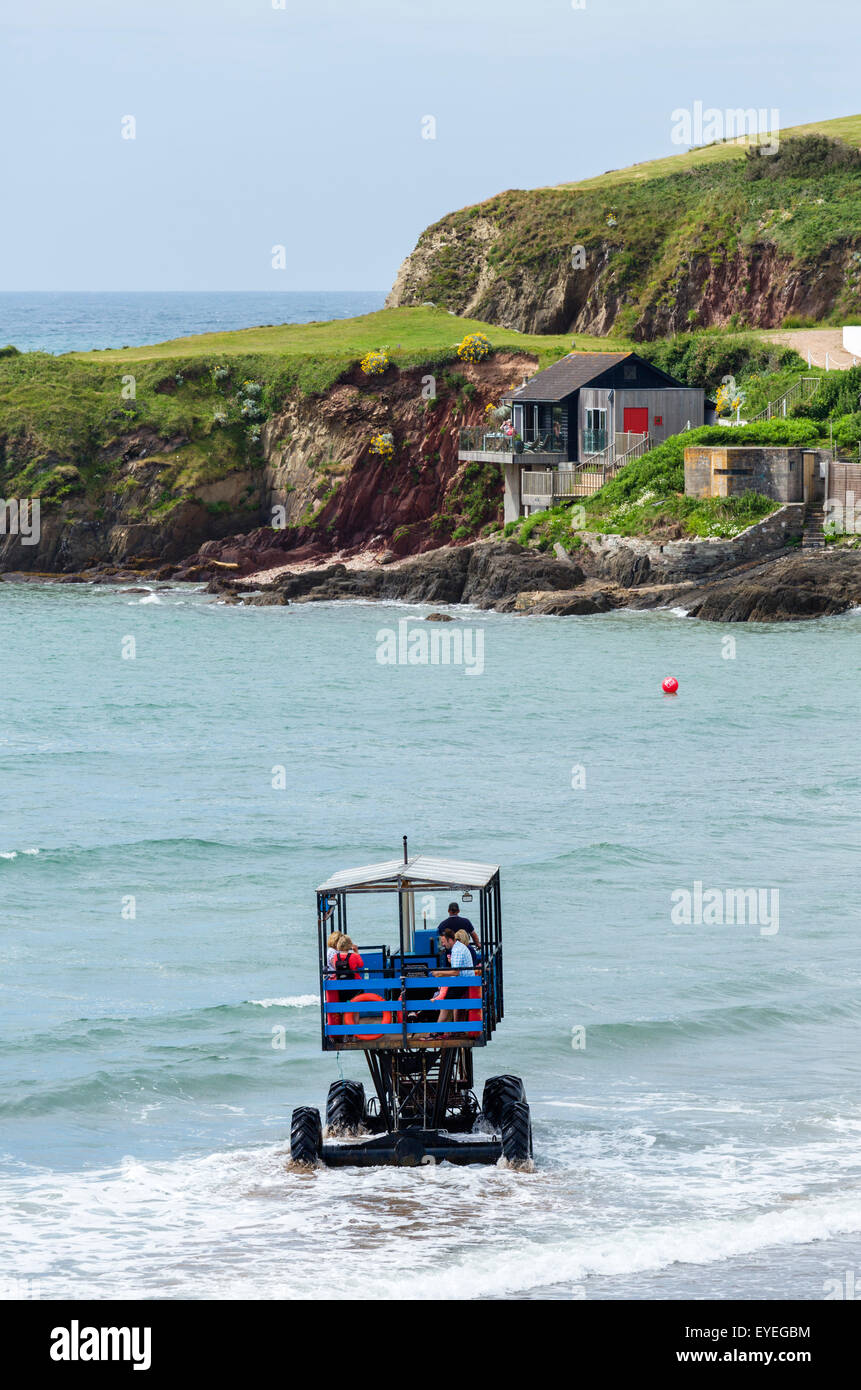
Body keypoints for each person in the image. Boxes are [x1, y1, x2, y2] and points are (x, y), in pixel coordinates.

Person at [431, 926, 474, 1024]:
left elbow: (456, 972)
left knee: (445, 1004)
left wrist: (440, 973)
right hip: (462, 981)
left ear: (450, 940)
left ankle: (436, 1031)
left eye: (443, 942)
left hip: (463, 982)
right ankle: (447, 1031)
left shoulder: (457, 950)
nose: (442, 944)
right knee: (447, 1001)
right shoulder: (457, 947)